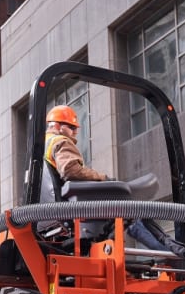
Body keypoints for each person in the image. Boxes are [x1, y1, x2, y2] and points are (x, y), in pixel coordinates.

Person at [44, 105, 169, 251]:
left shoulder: (43, 147)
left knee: (130, 212)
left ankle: (169, 247)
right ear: (57, 126)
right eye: (72, 127)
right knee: (129, 212)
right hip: (75, 211)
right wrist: (104, 179)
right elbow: (71, 171)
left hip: (58, 214)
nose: (76, 132)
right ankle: (168, 252)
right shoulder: (60, 141)